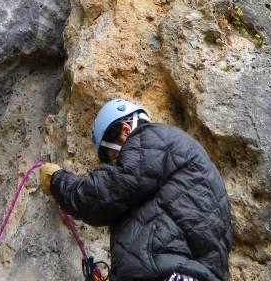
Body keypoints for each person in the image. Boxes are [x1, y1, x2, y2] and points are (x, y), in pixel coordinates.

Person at [39, 98, 232, 281]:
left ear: (125, 130)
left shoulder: (150, 139)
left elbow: (100, 195)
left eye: (113, 157)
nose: (115, 163)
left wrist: (57, 180)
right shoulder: (178, 158)